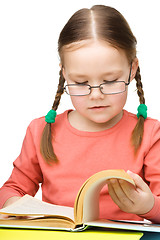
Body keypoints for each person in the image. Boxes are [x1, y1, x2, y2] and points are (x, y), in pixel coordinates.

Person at [0, 5, 160, 223]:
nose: (95, 95)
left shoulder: (150, 133)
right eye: (81, 82)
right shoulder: (40, 130)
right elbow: (13, 188)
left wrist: (149, 206)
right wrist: (14, 205)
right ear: (65, 74)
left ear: (132, 69)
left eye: (110, 80)